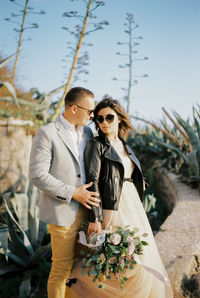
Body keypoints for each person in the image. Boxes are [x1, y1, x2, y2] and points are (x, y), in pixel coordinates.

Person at [68, 98, 173, 297]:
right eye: (99, 119)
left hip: (132, 202)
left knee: (139, 253)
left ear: (119, 119)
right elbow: (94, 181)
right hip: (112, 205)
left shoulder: (125, 144)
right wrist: (95, 217)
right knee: (118, 256)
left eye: (109, 117)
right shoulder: (96, 145)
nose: (104, 122)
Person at [29, 87, 101, 298]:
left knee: (81, 269)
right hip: (62, 211)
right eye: (90, 111)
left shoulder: (87, 132)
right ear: (74, 108)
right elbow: (37, 175)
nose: (92, 115)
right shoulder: (47, 133)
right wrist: (73, 192)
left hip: (89, 212)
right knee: (61, 271)